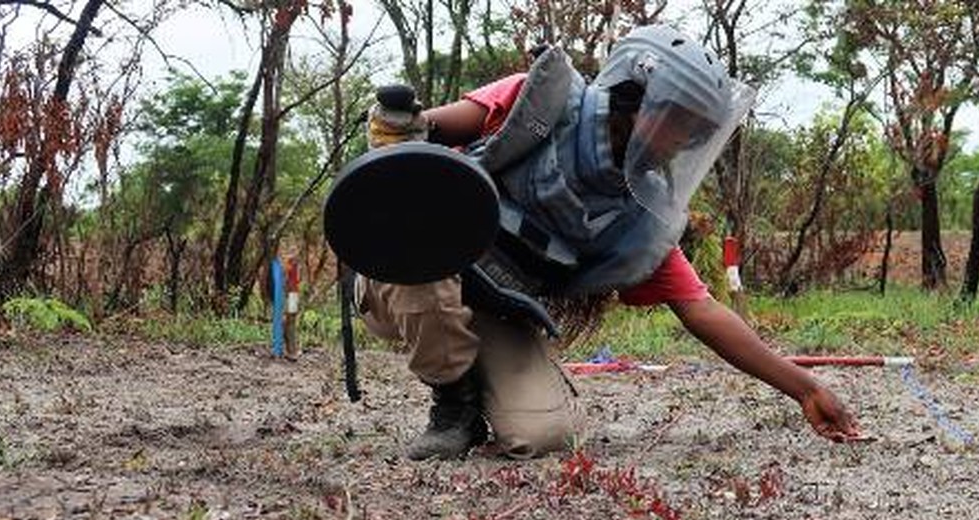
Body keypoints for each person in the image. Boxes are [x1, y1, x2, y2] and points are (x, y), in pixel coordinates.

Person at [358, 24, 861, 460]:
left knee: (543, 434)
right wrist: (397, 126)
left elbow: (701, 310)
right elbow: (414, 140)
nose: (684, 140)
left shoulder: (635, 211)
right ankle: (454, 408)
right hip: (412, 265)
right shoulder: (537, 103)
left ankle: (488, 384)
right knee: (423, 240)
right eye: (679, 120)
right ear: (636, 94)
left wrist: (805, 388)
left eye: (696, 129)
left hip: (496, 306)